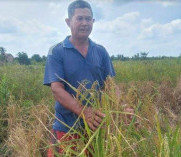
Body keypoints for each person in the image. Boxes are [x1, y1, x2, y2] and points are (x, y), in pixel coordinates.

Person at [43, 0, 116, 155]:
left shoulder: (100, 52)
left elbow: (110, 85)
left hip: (95, 129)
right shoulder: (57, 52)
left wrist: (120, 107)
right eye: (80, 18)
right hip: (66, 128)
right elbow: (56, 89)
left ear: (93, 22)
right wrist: (84, 111)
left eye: (88, 19)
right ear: (68, 22)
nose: (85, 23)